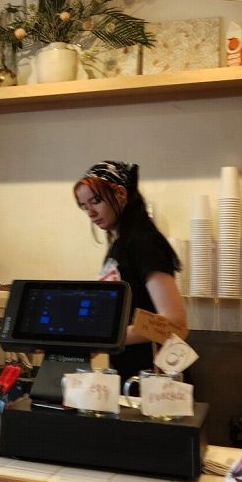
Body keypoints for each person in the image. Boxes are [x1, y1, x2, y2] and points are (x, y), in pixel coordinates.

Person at [73, 160, 187, 382]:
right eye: (84, 206)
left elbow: (175, 323)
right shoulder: (120, 245)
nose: (91, 212)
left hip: (156, 381)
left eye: (96, 201)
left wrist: (106, 338)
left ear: (120, 194)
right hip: (129, 376)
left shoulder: (144, 242)